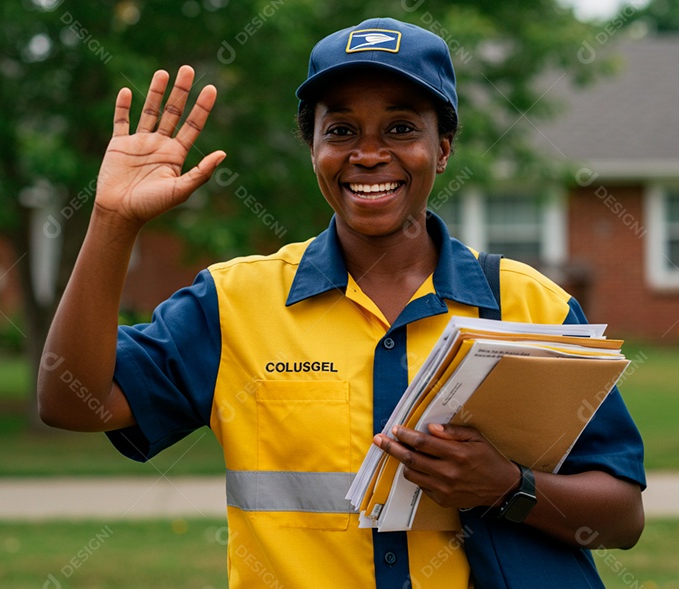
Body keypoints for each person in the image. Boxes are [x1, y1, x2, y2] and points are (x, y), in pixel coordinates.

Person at [38, 16, 645, 588]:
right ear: (313, 149)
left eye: (401, 128)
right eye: (341, 130)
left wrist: (507, 486)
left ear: (443, 148)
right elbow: (71, 402)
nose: (369, 153)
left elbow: (621, 518)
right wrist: (113, 220)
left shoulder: (531, 305)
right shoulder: (234, 302)